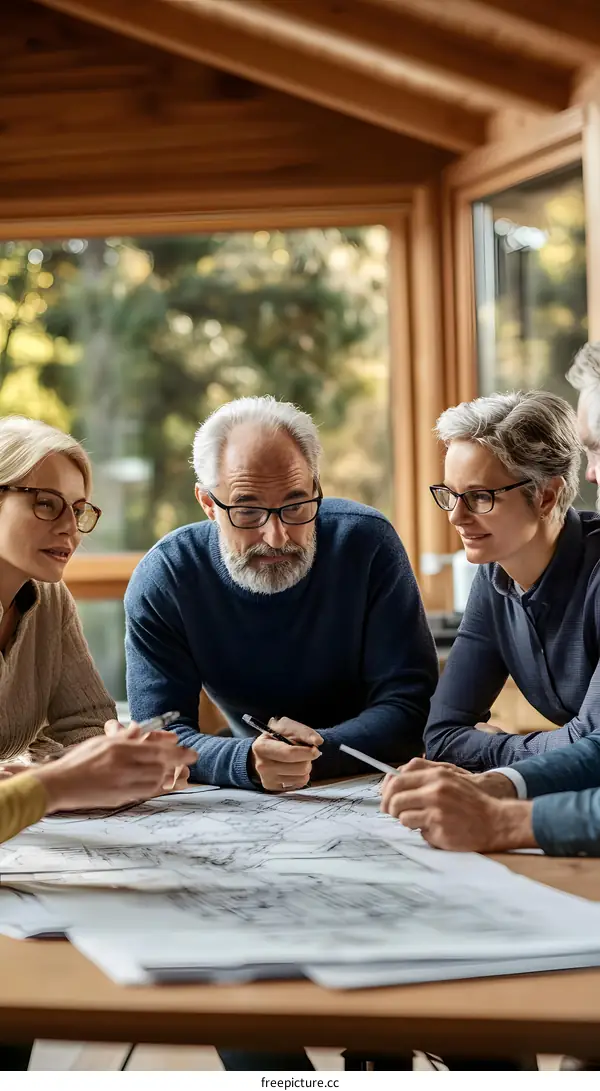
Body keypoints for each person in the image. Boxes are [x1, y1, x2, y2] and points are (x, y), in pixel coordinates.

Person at [125, 395, 438, 796]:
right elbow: (158, 735)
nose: (277, 537)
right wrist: (246, 762)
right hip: (250, 787)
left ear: (315, 486)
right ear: (208, 503)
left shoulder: (365, 544)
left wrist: (310, 753)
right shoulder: (167, 576)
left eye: (296, 505)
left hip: (378, 780)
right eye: (248, 511)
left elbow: (412, 707)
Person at [423, 388, 600, 771]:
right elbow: (441, 737)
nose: (456, 517)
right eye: (450, 495)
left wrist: (498, 746)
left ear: (547, 497)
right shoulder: (493, 578)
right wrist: (535, 749)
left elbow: (593, 746)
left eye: (480, 497)